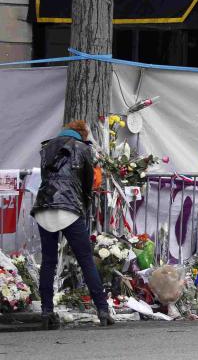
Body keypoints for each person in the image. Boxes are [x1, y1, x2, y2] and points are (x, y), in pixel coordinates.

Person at [32, 120, 114, 326]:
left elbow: (46, 178)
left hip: (44, 206)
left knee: (48, 262)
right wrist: (83, 208)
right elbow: (87, 184)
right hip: (69, 208)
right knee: (86, 259)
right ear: (83, 134)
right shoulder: (83, 148)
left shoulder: (46, 147)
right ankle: (103, 310)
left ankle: (46, 311)